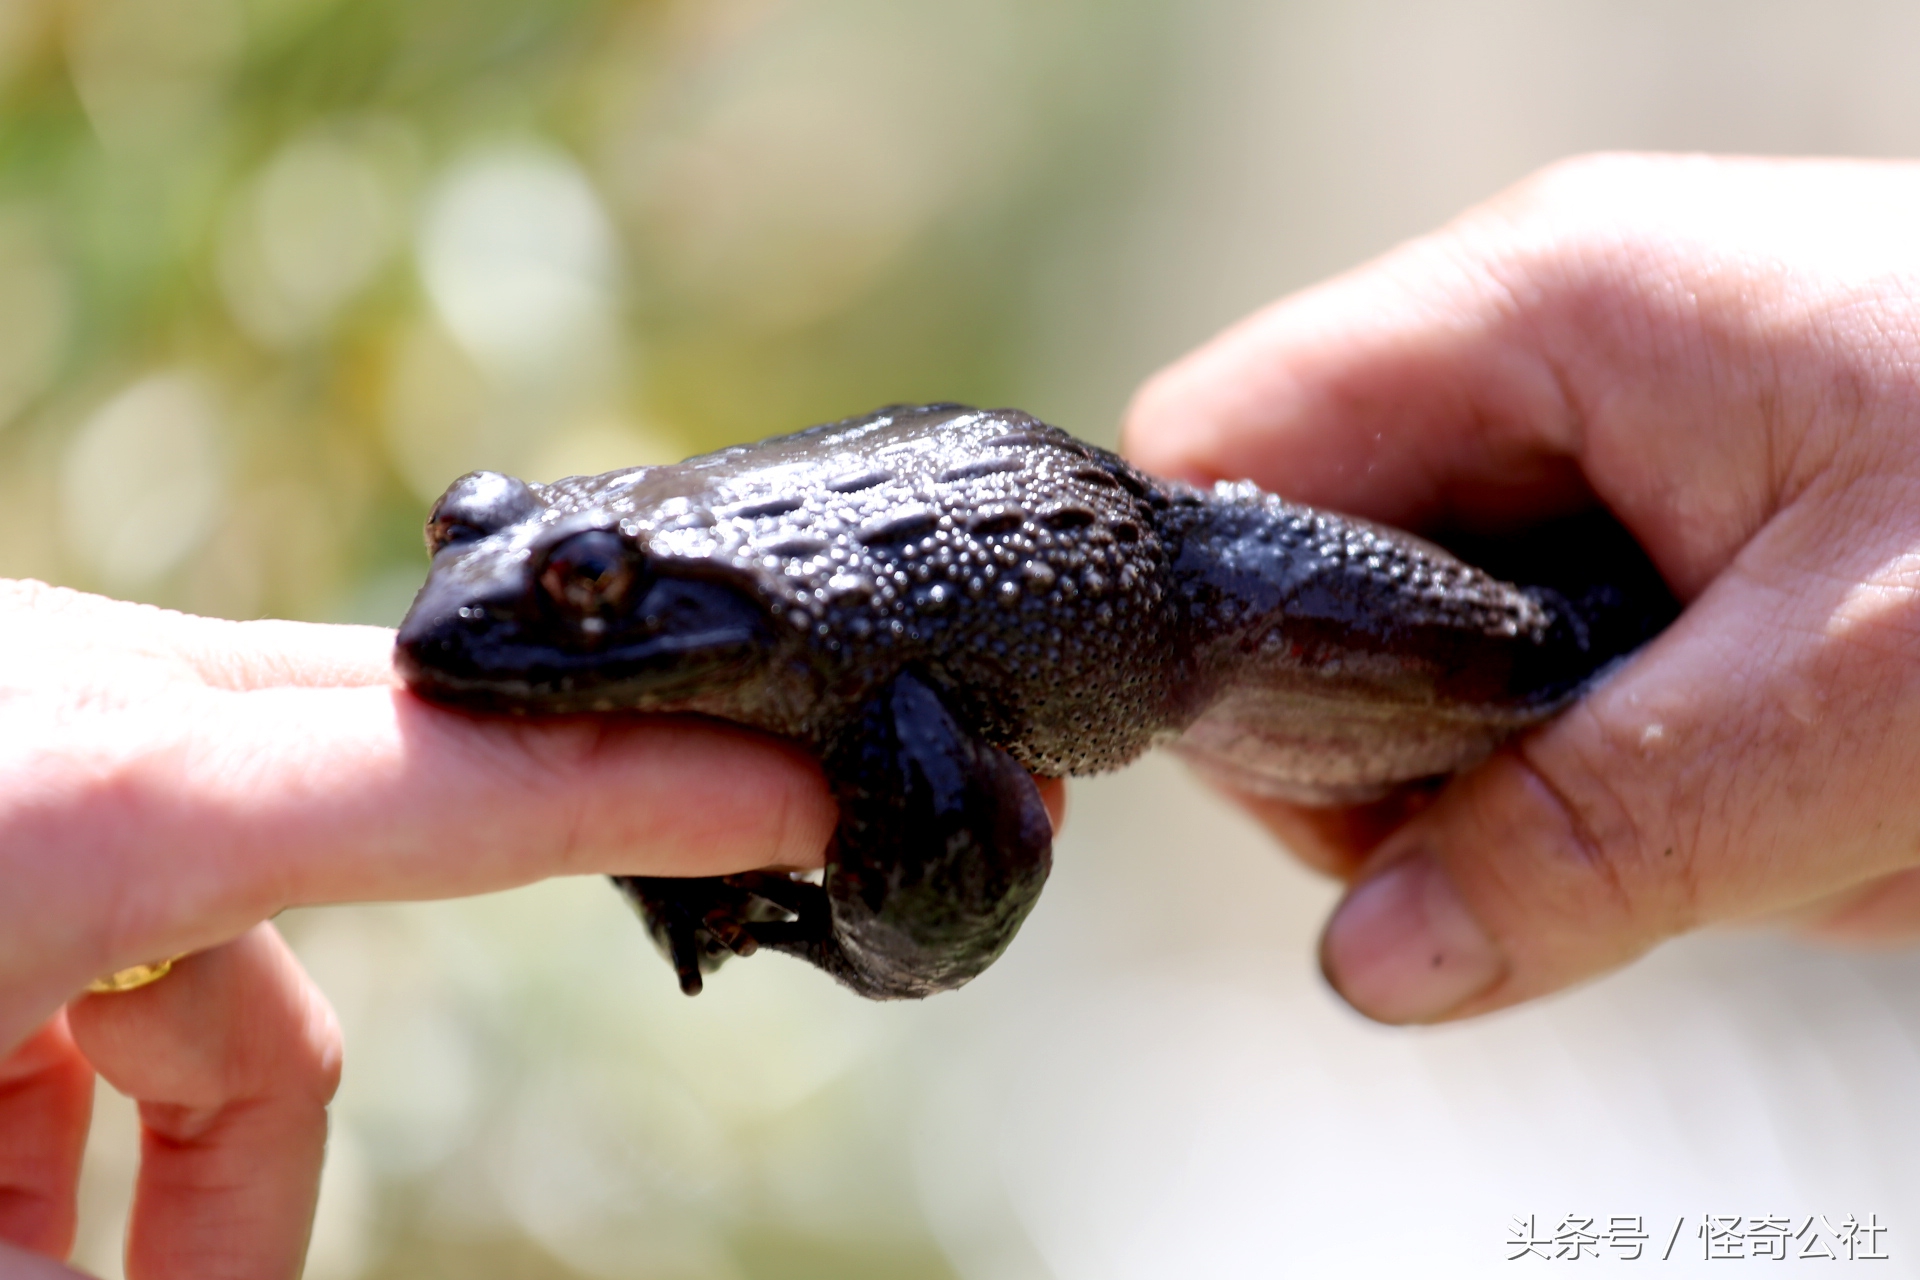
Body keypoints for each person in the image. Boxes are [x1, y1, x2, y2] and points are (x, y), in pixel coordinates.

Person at [5, 151, 1919, 1275]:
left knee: (1565, 659)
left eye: (578, 593)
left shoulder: (845, 673)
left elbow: (976, 870)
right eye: (488, 548)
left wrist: (834, 927)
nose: (501, 600)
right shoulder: (763, 669)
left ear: (650, 594)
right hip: (1153, 578)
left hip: (1179, 586)